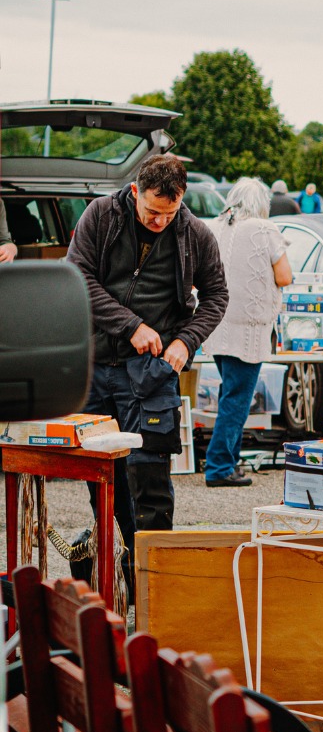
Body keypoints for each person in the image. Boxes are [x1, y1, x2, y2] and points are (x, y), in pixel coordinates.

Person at [65, 155, 229, 575]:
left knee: (151, 480)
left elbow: (216, 297)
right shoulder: (100, 215)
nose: (160, 221)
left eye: (169, 213)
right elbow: (77, 277)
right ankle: (119, 574)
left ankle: (156, 581)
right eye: (153, 212)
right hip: (97, 366)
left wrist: (186, 341)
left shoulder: (195, 233)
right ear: (135, 192)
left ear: (182, 200)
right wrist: (131, 325)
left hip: (153, 374)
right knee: (104, 478)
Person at [201, 179, 293, 487]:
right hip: (248, 329)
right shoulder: (265, 230)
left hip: (216, 325)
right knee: (236, 400)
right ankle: (219, 466)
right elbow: (284, 276)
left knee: (230, 394)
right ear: (262, 203)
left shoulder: (215, 227)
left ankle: (229, 461)